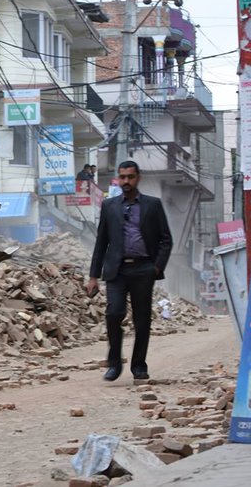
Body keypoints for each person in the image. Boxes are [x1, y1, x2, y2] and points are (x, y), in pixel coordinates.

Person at [86, 161, 173, 382]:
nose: (126, 181)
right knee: (113, 313)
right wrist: (93, 276)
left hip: (144, 268)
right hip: (117, 269)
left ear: (138, 177)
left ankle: (139, 366)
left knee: (142, 319)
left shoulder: (153, 205)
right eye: (122, 177)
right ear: (118, 178)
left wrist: (156, 267)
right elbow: (101, 242)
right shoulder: (109, 206)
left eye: (130, 177)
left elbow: (166, 239)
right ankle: (114, 362)